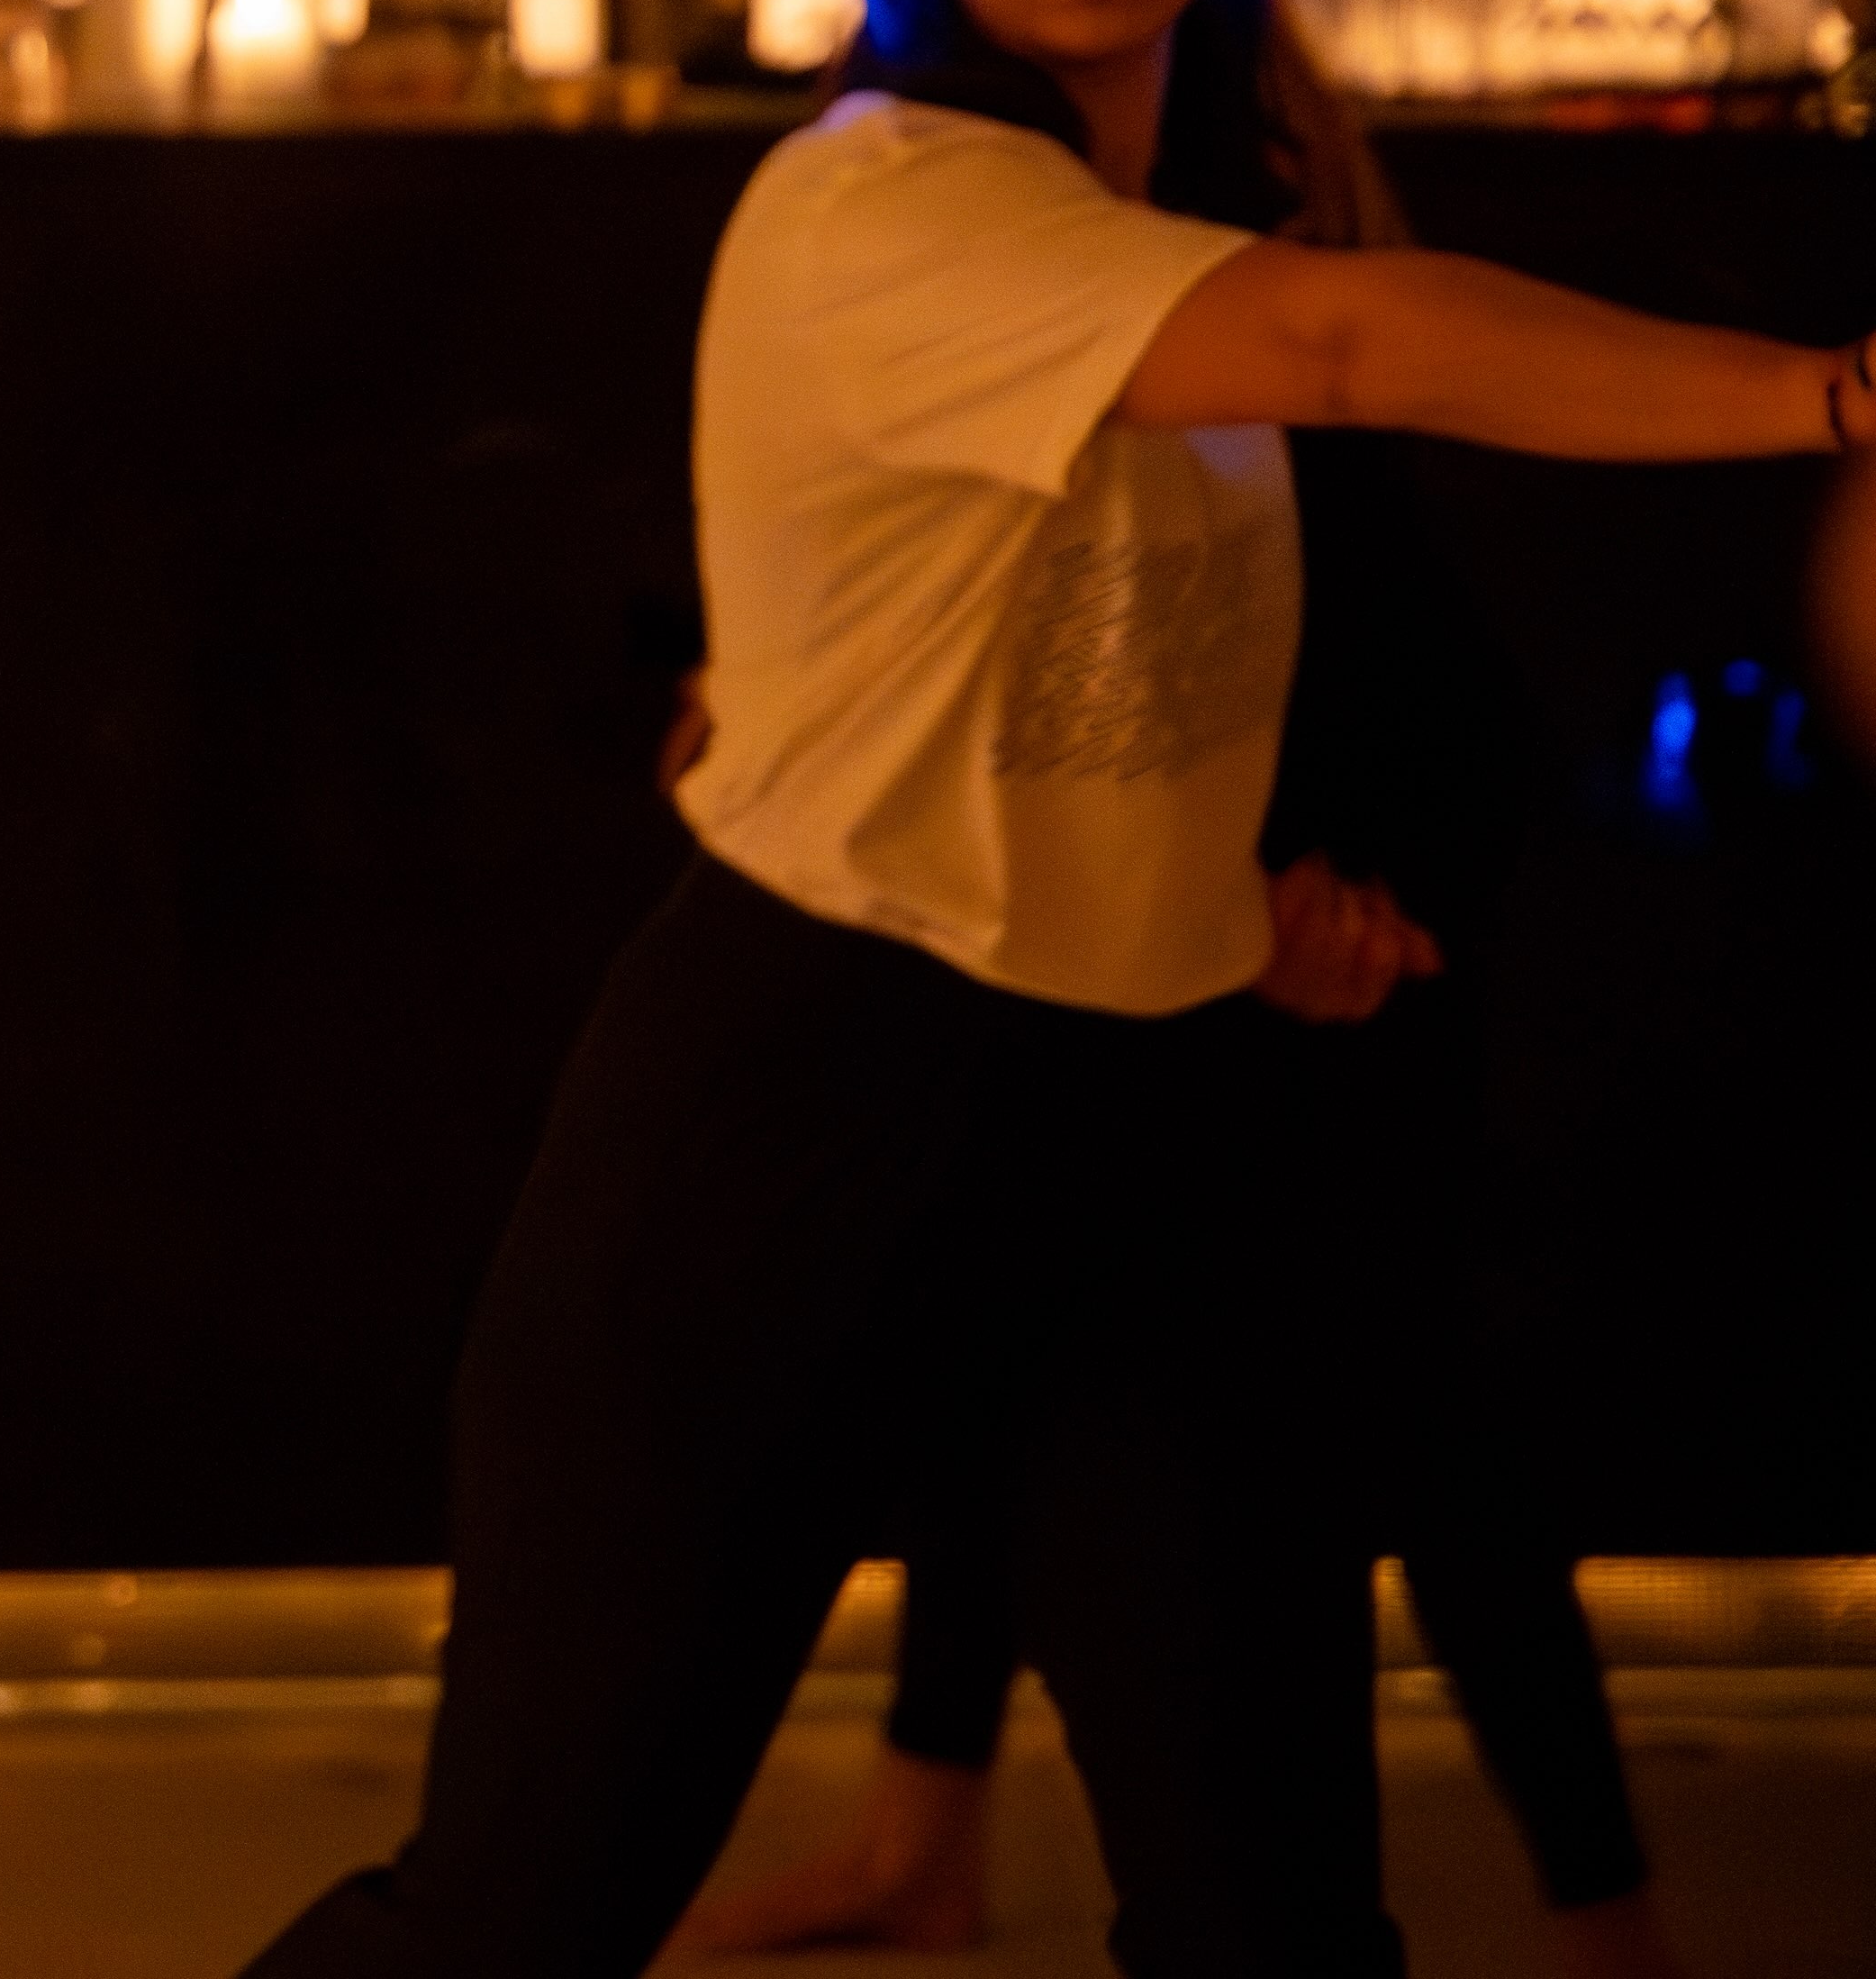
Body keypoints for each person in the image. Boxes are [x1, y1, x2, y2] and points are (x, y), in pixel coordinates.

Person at [250, 0, 1871, 1979]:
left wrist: (1239, 889)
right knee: (518, 1913)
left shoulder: (1184, 207)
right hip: (798, 1123)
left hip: (1151, 1139)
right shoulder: (884, 203)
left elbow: (1146, 655)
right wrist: (1838, 394)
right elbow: (1345, 349)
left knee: (1277, 1923)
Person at [675, 433, 1686, 1977]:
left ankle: (1616, 1938)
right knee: (996, 1348)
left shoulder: (1260, 401)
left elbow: (1431, 701)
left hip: (1326, 929)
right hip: (1145, 925)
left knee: (1420, 1424)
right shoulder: (1054, 379)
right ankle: (917, 1847)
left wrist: (1325, 898)